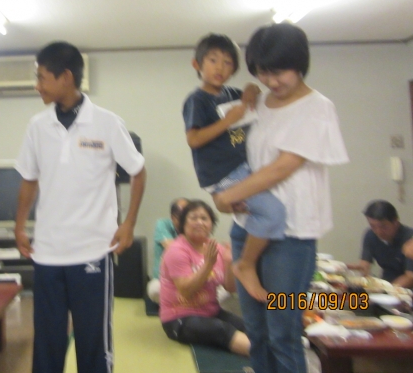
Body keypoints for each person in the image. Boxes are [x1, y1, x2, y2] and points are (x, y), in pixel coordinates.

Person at [213, 23, 349, 373]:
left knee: (283, 332)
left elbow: (283, 167)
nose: (271, 81)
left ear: (300, 64)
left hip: (291, 236)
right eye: (262, 72)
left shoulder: (317, 107)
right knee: (256, 331)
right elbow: (232, 147)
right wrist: (225, 194)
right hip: (249, 228)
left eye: (279, 72)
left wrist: (228, 196)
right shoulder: (257, 103)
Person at [14, 41, 147, 373]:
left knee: (93, 345)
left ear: (66, 77)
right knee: (47, 344)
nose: (37, 85)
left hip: (93, 252)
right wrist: (19, 226)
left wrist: (129, 223)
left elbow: (138, 171)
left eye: (42, 77)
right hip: (47, 253)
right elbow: (29, 179)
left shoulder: (107, 123)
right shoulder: (37, 126)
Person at [183, 32, 285, 301]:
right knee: (274, 212)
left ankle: (249, 259)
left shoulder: (230, 94)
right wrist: (229, 120)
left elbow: (254, 93)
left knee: (264, 212)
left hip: (242, 169)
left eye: (228, 63)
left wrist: (250, 89)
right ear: (197, 65)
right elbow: (193, 139)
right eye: (213, 60)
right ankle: (245, 264)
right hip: (223, 174)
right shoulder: (197, 100)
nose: (220, 67)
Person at [159, 200, 250, 356]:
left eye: (204, 218)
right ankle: (267, 358)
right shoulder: (176, 250)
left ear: (211, 224)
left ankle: (278, 352)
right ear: (183, 223)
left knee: (249, 326)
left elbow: (230, 288)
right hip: (179, 319)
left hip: (211, 312)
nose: (199, 222)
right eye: (193, 218)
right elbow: (186, 291)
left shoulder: (215, 248)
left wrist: (229, 262)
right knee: (222, 329)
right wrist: (208, 265)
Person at [347, 200, 413, 288]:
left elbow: (410, 277)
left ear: (396, 222)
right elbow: (364, 265)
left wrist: (386, 290)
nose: (378, 231)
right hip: (386, 282)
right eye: (373, 226)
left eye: (383, 227)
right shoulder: (370, 235)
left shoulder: (409, 239)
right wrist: (346, 268)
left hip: (406, 289)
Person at [147, 197, 189, 303]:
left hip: (189, 278)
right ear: (173, 217)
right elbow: (172, 249)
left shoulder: (195, 227)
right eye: (184, 216)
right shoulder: (162, 224)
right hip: (164, 280)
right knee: (155, 290)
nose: (188, 220)